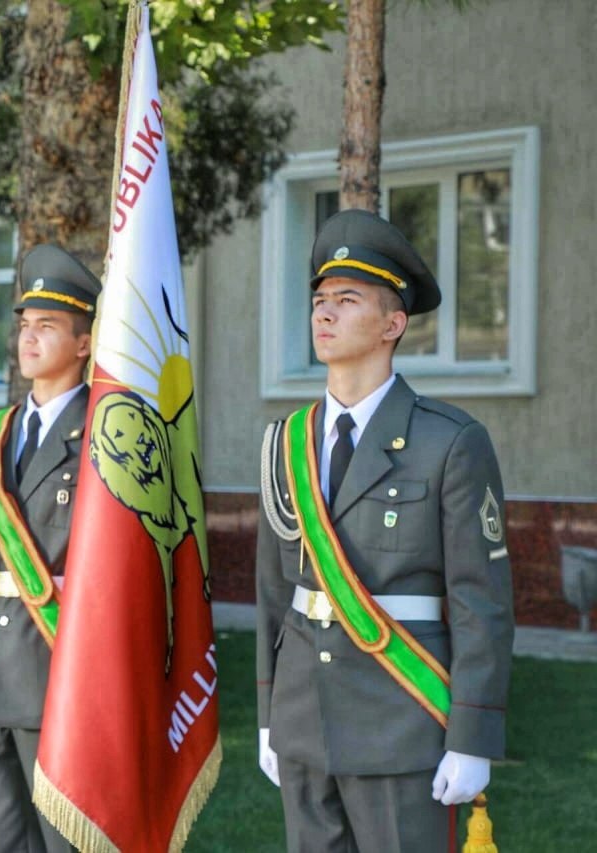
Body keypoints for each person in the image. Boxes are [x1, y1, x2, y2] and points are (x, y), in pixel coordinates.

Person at [255, 208, 515, 852]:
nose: (324, 313)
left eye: (347, 300)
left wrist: (473, 737)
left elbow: (482, 602)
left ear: (393, 324)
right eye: (320, 300)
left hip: (402, 719)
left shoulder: (450, 442)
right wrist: (266, 717)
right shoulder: (284, 444)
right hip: (302, 720)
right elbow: (272, 596)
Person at [0, 243, 100, 853]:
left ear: (84, 343)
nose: (29, 338)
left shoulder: (106, 433)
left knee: (61, 841)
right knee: (0, 839)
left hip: (61, 672)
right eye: (24, 325)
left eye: (48, 326)